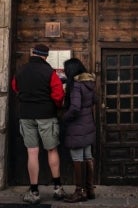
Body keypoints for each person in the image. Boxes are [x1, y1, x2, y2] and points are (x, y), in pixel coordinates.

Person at [12, 43, 66, 204]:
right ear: (45, 56)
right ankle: (57, 188)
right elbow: (58, 95)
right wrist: (55, 106)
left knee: (32, 152)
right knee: (52, 150)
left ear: (33, 54)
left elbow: (15, 87)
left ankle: (34, 191)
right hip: (46, 115)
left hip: (26, 115)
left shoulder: (21, 70)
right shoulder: (50, 73)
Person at [61, 57, 97, 203]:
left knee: (77, 157)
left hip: (77, 126)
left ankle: (79, 191)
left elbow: (75, 108)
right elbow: (94, 101)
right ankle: (90, 190)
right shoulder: (89, 83)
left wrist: (65, 117)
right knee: (88, 156)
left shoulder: (76, 85)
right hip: (88, 125)